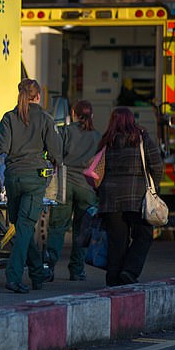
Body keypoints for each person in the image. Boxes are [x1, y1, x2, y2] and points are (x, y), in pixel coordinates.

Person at [0, 78, 62, 293]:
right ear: (38, 96)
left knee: (20, 225)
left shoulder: (9, 117)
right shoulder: (45, 118)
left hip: (13, 178)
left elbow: (2, 146)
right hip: (34, 179)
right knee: (24, 227)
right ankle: (13, 277)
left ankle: (37, 273)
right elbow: (56, 153)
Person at [96, 107, 163, 286]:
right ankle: (130, 270)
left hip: (110, 198)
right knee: (144, 234)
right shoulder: (141, 139)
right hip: (136, 197)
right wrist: (154, 188)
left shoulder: (105, 141)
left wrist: (99, 194)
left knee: (117, 241)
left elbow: (96, 171)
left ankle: (113, 279)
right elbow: (157, 166)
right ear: (131, 120)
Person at [46, 100, 101, 282]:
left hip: (65, 186)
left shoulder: (66, 132)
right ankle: (76, 271)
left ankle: (49, 268)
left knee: (57, 228)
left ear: (73, 113)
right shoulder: (97, 136)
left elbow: (55, 154)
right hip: (87, 188)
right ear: (92, 115)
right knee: (82, 230)